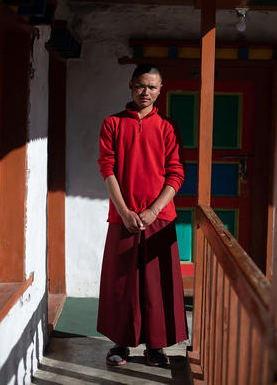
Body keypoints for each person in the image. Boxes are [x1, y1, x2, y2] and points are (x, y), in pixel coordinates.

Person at [97, 63, 188, 368]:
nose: (145, 92)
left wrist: (153, 211)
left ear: (160, 91)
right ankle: (121, 344)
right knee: (122, 283)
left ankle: (156, 347)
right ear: (130, 86)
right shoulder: (113, 124)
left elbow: (176, 175)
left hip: (158, 219)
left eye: (152, 87)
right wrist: (124, 211)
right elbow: (107, 169)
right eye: (140, 85)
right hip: (122, 216)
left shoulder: (167, 128)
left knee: (156, 284)